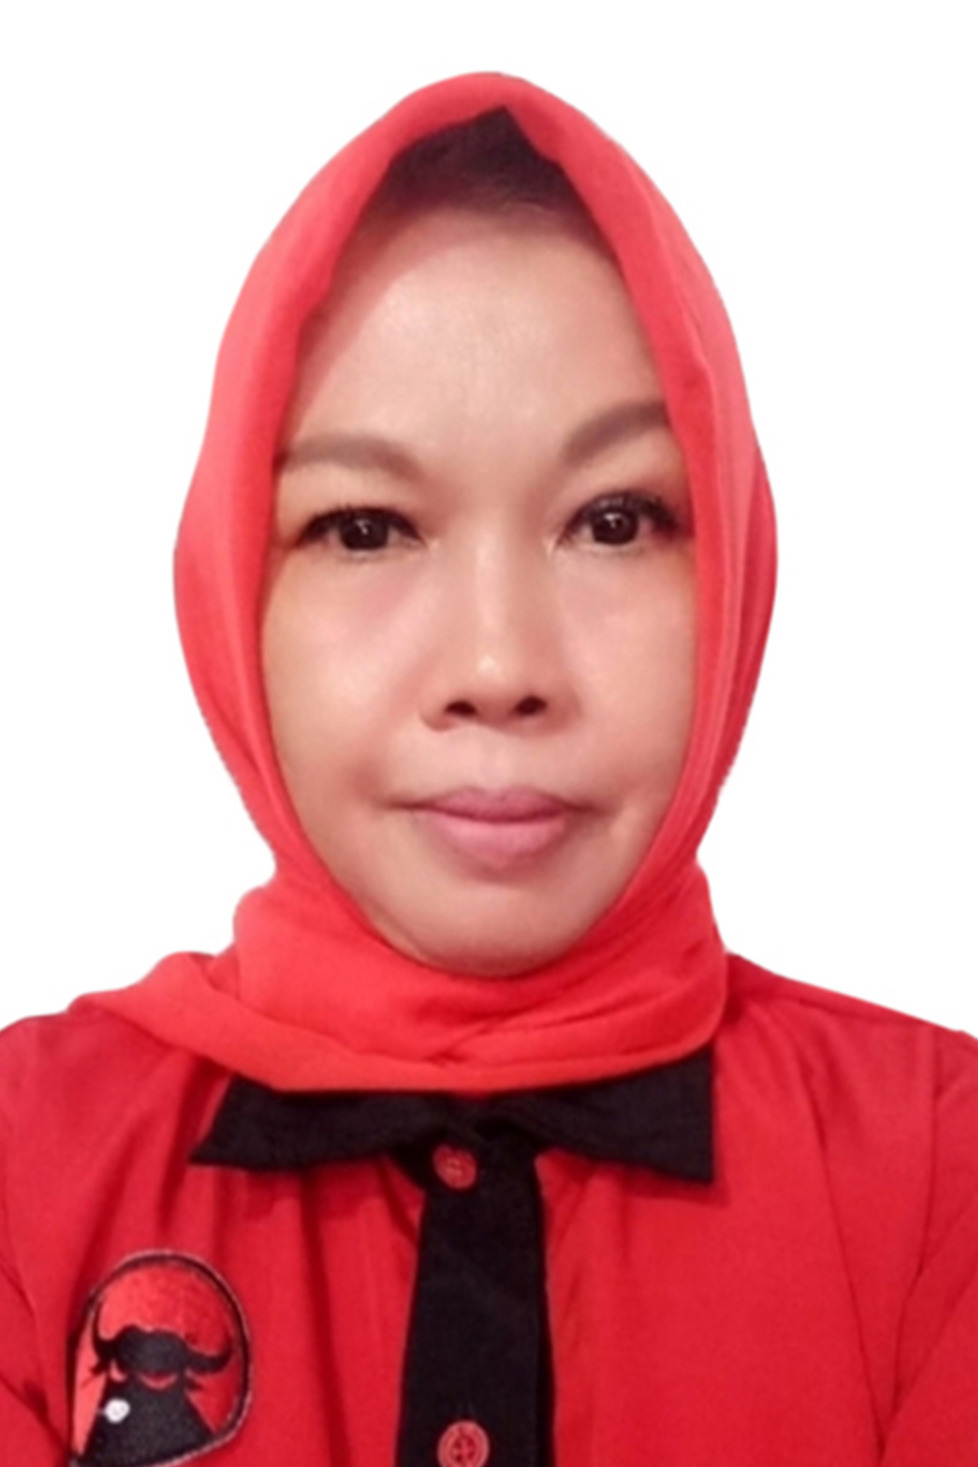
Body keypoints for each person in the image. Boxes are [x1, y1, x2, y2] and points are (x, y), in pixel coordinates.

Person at [1, 71, 976, 1467]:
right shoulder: (26, 1167)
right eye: (364, 527)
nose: (499, 662)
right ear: (229, 587)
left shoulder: (939, 1171)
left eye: (615, 519)